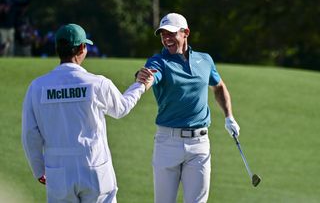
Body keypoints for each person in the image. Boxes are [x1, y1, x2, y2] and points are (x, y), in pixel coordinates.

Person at [21, 23, 154, 203]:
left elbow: (30, 134)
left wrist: (39, 169)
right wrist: (140, 85)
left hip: (58, 171)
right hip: (94, 166)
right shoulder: (97, 83)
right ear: (83, 48)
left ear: (57, 49)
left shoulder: (37, 87)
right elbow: (121, 108)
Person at [137, 13, 241, 203]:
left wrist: (229, 117)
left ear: (185, 33)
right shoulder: (158, 61)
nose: (166, 39)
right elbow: (151, 75)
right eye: (163, 34)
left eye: (171, 33)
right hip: (167, 142)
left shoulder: (205, 60)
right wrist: (143, 77)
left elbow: (218, 87)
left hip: (200, 144)